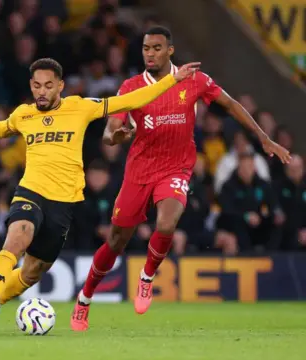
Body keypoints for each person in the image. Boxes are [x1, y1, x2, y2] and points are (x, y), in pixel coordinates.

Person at [0, 57, 201, 332]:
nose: (42, 92)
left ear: (60, 86)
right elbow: (2, 127)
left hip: (63, 202)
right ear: (31, 86)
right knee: (17, 238)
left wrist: (170, 81)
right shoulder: (23, 114)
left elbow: (130, 101)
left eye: (48, 86)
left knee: (33, 271)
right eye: (37, 86)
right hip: (31, 191)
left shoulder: (80, 107)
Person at [71, 26, 291, 331]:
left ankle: (146, 278)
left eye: (157, 48)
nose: (150, 53)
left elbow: (232, 104)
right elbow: (109, 131)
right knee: (116, 241)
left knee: (166, 222)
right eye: (146, 48)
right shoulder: (132, 86)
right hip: (139, 172)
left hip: (176, 169)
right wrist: (116, 136)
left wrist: (264, 138)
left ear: (170, 51)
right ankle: (85, 297)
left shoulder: (193, 80)